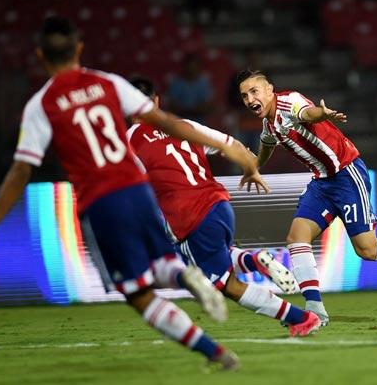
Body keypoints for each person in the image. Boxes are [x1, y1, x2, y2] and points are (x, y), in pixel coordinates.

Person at [0, 16, 269, 370]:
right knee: (163, 263)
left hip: (102, 201)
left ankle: (214, 352)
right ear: (79, 48)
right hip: (139, 191)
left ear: (40, 55)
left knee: (136, 292)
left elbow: (21, 170)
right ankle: (183, 276)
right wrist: (233, 150)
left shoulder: (42, 104)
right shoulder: (108, 82)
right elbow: (168, 123)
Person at [238, 69, 377, 326]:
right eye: (244, 96)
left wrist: (321, 113)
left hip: (347, 174)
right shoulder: (268, 125)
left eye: (254, 92)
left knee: (367, 250)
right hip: (322, 183)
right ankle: (315, 309)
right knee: (296, 238)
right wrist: (254, 167)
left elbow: (307, 113)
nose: (249, 100)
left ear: (269, 90)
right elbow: (267, 144)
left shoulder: (289, 102)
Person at [126, 76, 319, 337]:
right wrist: (251, 168)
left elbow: (130, 188)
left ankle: (301, 318)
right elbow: (232, 145)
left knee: (224, 284)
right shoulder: (184, 125)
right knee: (212, 259)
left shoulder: (130, 140)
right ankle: (255, 260)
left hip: (189, 217)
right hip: (219, 205)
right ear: (156, 101)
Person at [167, 54, 214, 123]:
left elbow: (207, 106)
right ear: (184, 67)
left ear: (199, 67)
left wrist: (189, 110)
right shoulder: (177, 83)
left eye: (194, 66)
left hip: (199, 124)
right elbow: (172, 106)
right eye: (189, 66)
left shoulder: (203, 84)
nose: (191, 69)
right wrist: (192, 110)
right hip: (179, 123)